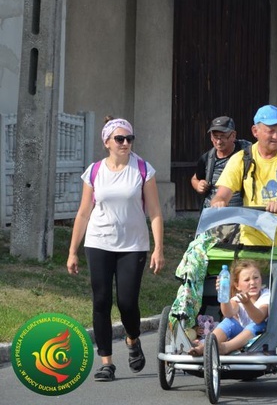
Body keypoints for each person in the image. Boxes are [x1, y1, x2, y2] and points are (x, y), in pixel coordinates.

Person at [67, 117, 165, 383]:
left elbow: (155, 211)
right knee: (101, 301)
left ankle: (133, 339)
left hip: (133, 245)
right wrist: (73, 250)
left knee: (127, 302)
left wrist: (158, 248)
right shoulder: (95, 171)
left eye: (129, 139)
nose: (125, 143)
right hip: (99, 242)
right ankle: (106, 363)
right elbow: (84, 212)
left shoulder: (143, 169)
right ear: (107, 142)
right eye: (120, 139)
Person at [211, 105, 277, 312]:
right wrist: (219, 201)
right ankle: (246, 332)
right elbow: (224, 191)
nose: (276, 136)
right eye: (270, 130)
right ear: (255, 131)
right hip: (253, 237)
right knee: (247, 291)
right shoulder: (242, 158)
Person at [189, 260, 270, 355]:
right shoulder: (238, 298)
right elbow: (228, 313)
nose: (252, 282)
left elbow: (259, 318)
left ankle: (225, 347)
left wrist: (247, 303)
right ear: (237, 286)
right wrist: (224, 295)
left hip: (261, 333)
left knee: (256, 325)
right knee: (229, 322)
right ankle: (204, 346)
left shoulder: (266, 295)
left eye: (256, 278)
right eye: (247, 280)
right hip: (241, 333)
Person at [191, 116, 246, 208]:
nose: (218, 142)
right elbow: (194, 179)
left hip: (240, 212)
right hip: (213, 211)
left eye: (223, 137)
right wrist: (198, 185)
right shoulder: (207, 158)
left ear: (233, 135)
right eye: (215, 137)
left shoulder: (246, 154)